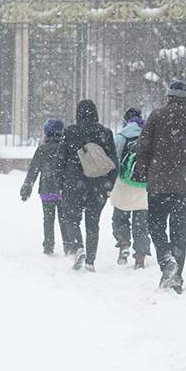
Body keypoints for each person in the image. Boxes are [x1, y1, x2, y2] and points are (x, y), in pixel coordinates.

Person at [134, 79, 186, 293]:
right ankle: (176, 277)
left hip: (158, 184)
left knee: (156, 226)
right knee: (179, 231)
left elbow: (143, 147)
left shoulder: (157, 116)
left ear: (168, 97)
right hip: (185, 187)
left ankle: (166, 260)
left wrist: (144, 170)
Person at [58, 100, 117, 271]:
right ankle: (90, 261)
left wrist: (60, 183)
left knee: (71, 218)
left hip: (73, 183)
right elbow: (114, 162)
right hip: (98, 184)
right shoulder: (105, 133)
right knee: (93, 223)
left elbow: (61, 160)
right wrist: (109, 185)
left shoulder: (70, 132)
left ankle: (78, 248)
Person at [110, 107, 151, 269]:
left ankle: (124, 243)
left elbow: (114, 160)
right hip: (144, 185)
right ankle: (140, 258)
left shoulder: (121, 137)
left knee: (120, 217)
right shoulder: (149, 135)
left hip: (124, 183)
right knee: (141, 223)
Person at [21, 119, 66, 255]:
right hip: (63, 190)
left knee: (48, 219)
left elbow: (33, 171)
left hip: (47, 190)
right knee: (64, 219)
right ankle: (68, 245)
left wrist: (26, 188)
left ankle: (48, 245)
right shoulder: (65, 147)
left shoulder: (42, 149)